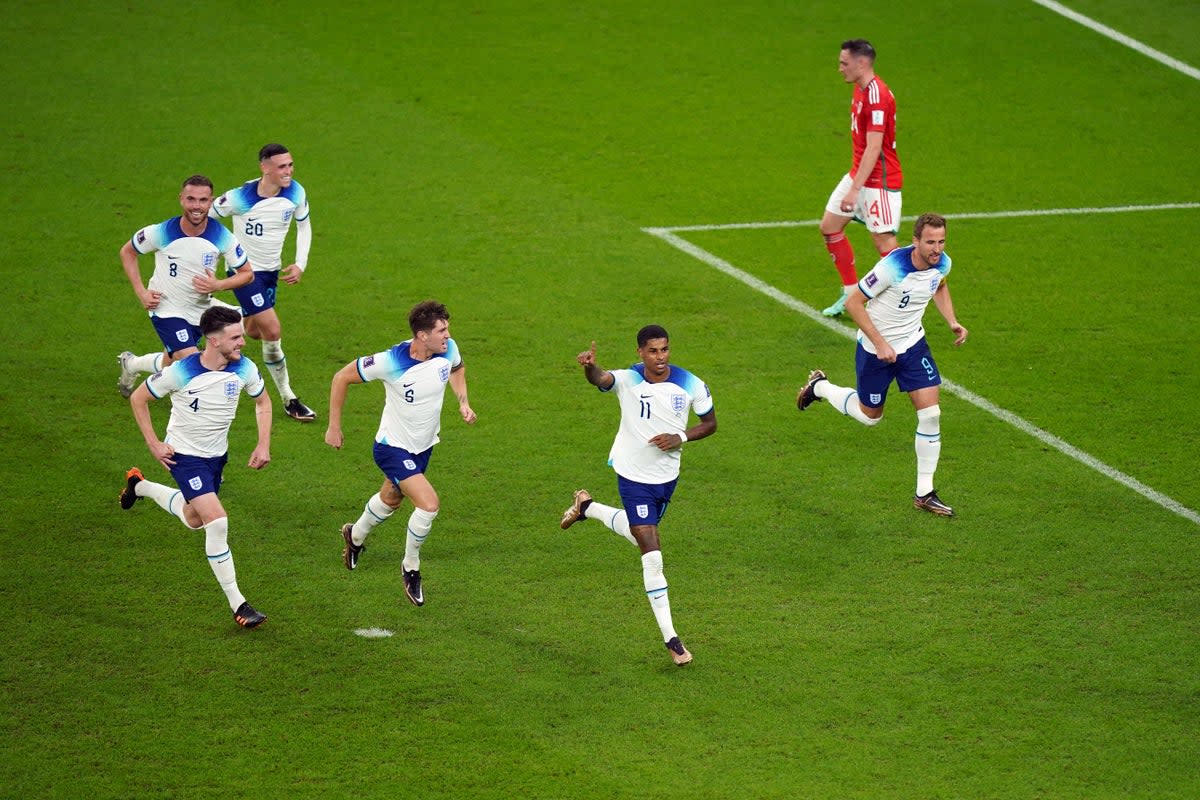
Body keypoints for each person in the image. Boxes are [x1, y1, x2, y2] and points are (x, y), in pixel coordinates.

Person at [559, 326, 716, 666]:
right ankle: (672, 639)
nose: (661, 357)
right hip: (632, 476)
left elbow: (710, 423)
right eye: (653, 351)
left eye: (665, 350)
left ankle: (587, 507)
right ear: (641, 352)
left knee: (640, 534)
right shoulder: (629, 380)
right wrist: (588, 367)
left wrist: (681, 437)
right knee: (652, 554)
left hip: (666, 479)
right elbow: (602, 379)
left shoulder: (690, 383)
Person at [797, 213, 968, 516]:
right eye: (930, 242)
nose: (936, 248)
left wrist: (952, 321)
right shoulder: (891, 267)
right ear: (915, 241)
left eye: (941, 241)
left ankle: (924, 493)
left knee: (931, 414)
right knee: (869, 416)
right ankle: (820, 387)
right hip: (876, 350)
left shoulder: (943, 263)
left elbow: (939, 286)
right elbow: (853, 303)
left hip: (913, 346)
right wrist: (880, 343)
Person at [119, 306, 273, 628]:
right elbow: (139, 398)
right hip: (184, 456)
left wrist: (263, 444)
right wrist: (153, 443)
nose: (242, 342)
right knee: (216, 521)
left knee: (194, 519)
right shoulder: (181, 371)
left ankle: (139, 486)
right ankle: (239, 604)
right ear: (214, 341)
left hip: (216, 457)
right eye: (235, 337)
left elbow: (263, 401)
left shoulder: (244, 369)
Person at [325, 300, 476, 607]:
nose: (448, 335)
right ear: (422, 336)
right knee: (429, 504)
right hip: (391, 447)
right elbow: (341, 377)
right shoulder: (389, 361)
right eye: (442, 330)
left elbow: (457, 369)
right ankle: (410, 568)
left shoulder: (448, 348)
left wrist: (462, 401)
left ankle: (354, 536)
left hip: (424, 446)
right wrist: (333, 427)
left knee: (392, 499)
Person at [117, 175, 252, 396]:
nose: (196, 206)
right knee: (194, 363)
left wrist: (218, 284)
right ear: (181, 199)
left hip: (200, 311)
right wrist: (141, 292)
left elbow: (247, 274)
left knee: (169, 363)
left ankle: (131, 365)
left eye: (202, 200)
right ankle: (189, 414)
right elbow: (128, 252)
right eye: (191, 199)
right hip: (166, 309)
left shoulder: (221, 236)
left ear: (211, 201)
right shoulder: (162, 232)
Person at [210, 143, 316, 422]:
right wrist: (220, 254)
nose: (289, 171)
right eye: (282, 166)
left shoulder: (296, 192)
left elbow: (304, 225)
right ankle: (289, 398)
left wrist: (300, 263)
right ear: (265, 168)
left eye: (291, 165)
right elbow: (205, 217)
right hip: (243, 272)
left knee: (254, 331)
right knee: (272, 329)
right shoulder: (239, 197)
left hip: (270, 273)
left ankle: (211, 312)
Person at [818, 39, 903, 318]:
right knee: (830, 226)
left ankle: (903, 305)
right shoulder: (860, 88)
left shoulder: (877, 95)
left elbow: (875, 147)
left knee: (886, 247)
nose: (840, 68)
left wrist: (855, 191)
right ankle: (849, 292)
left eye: (844, 63)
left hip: (879, 181)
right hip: (859, 174)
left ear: (861, 63)